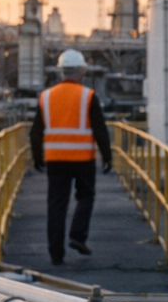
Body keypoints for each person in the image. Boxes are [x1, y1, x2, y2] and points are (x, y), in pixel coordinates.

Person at [31, 48, 112, 265]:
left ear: (61, 71)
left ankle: (56, 254)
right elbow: (100, 130)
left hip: (55, 159)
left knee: (56, 205)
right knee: (85, 196)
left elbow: (36, 131)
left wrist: (37, 157)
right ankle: (77, 236)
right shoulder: (88, 96)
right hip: (83, 159)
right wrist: (107, 157)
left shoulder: (45, 97)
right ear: (81, 71)